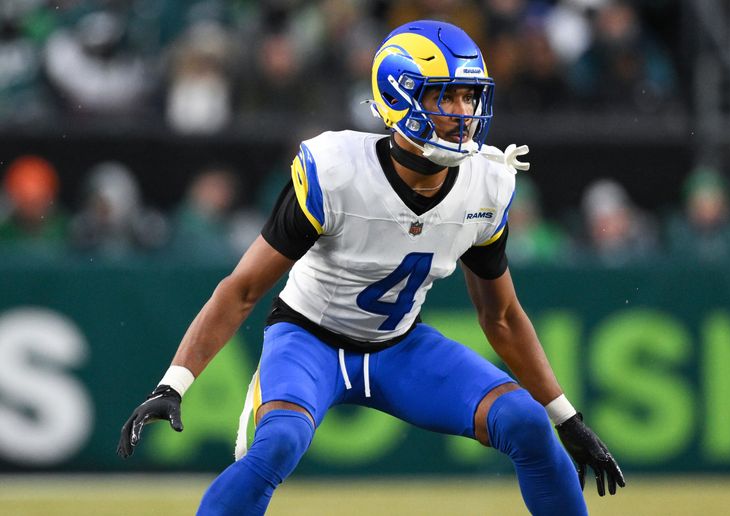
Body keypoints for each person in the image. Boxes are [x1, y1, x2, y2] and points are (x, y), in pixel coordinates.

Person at [117, 20, 624, 515]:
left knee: (526, 423)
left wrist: (566, 417)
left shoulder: (485, 187)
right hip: (308, 339)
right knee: (279, 442)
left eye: (470, 97)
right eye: (444, 96)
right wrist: (174, 383)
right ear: (399, 97)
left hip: (399, 347)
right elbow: (243, 289)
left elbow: (503, 317)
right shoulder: (336, 172)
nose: (462, 113)